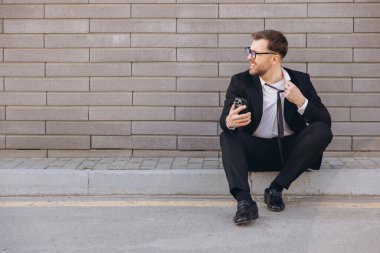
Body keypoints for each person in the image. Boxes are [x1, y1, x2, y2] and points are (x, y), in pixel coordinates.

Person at [219, 30, 333, 225]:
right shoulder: (241, 81)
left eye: (255, 53)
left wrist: (301, 101)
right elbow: (224, 120)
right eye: (249, 51)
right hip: (255, 151)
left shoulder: (300, 81)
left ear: (274, 58)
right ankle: (245, 202)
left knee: (322, 130)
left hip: (289, 154)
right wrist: (229, 122)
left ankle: (275, 189)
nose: (249, 57)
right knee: (227, 135)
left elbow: (325, 120)